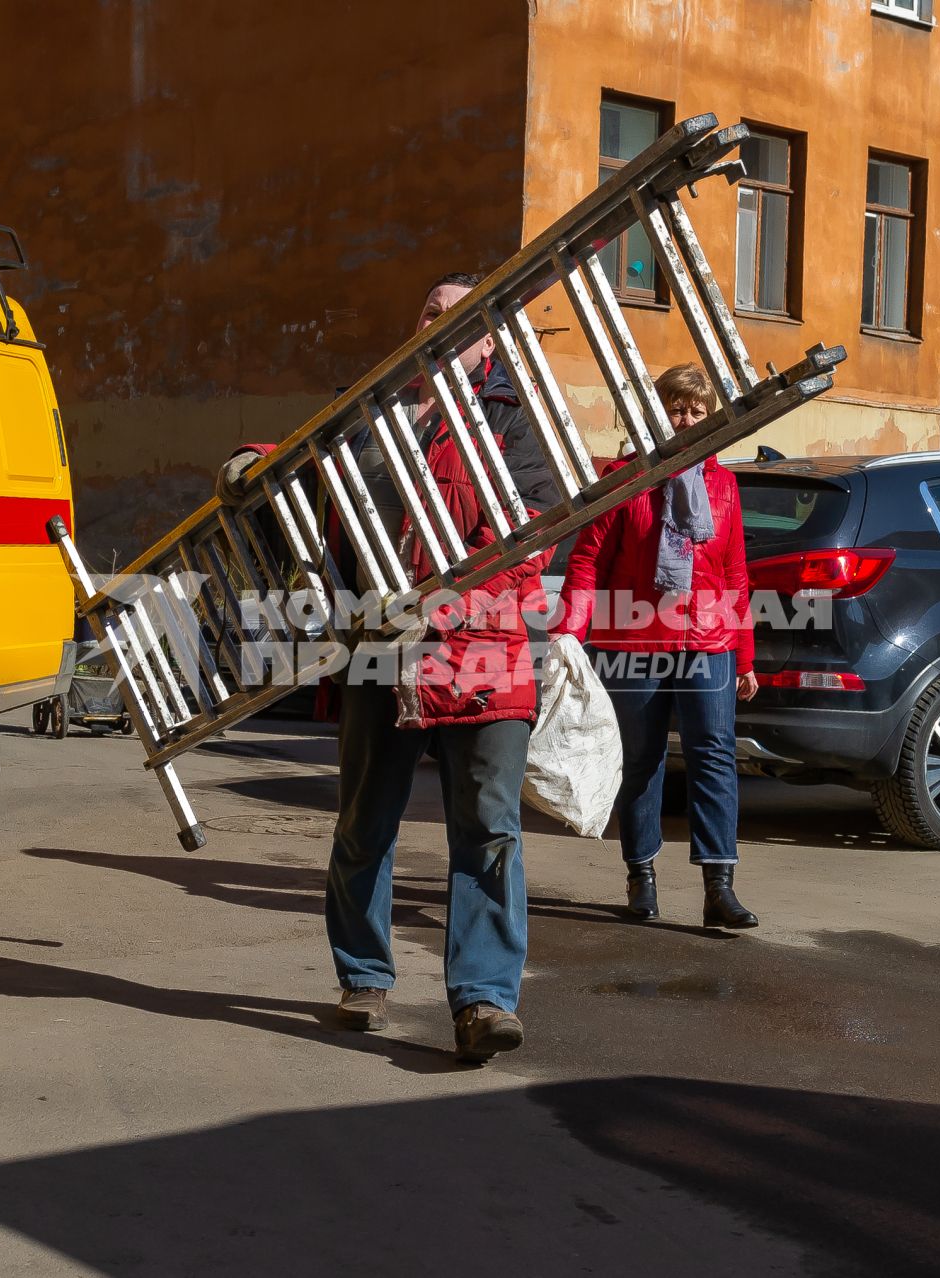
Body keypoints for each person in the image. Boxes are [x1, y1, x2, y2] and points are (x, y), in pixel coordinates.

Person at [218, 271, 556, 1062]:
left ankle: (483, 1001)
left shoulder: (516, 423)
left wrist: (442, 607)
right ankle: (364, 974)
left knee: (489, 835)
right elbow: (308, 464)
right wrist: (253, 459)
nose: (435, 320)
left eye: (455, 313)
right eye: (427, 308)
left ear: (489, 336)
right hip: (379, 653)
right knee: (365, 819)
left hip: (484, 656)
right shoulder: (374, 408)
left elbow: (537, 533)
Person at [553, 363, 760, 929]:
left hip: (709, 640)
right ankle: (640, 875)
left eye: (697, 411)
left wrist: (744, 655)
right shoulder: (625, 479)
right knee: (641, 761)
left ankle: (719, 887)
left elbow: (736, 574)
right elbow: (588, 557)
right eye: (676, 408)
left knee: (713, 756)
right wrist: (569, 632)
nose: (687, 419)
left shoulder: (723, 484)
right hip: (634, 640)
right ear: (653, 411)